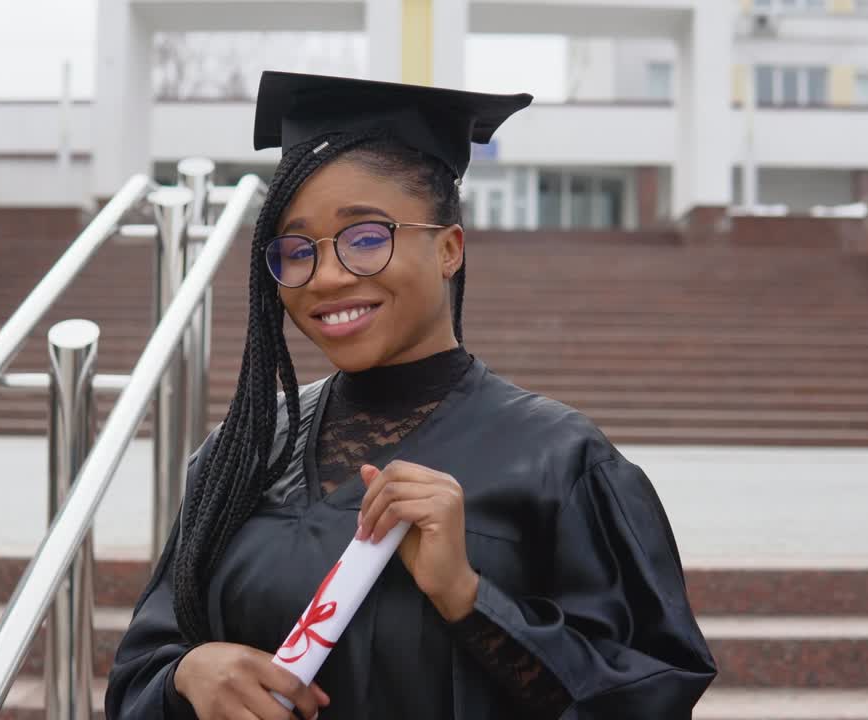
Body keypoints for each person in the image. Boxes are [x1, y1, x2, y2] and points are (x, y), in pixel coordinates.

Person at [105, 71, 716, 720]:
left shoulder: (559, 462)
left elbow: (648, 696)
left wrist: (468, 596)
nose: (328, 276)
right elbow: (141, 671)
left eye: (365, 238)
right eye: (295, 249)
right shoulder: (240, 455)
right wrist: (188, 676)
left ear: (449, 247)